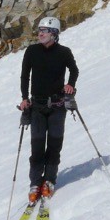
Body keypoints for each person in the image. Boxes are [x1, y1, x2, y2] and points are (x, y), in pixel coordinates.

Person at [19, 16, 78, 203]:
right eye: (39, 30)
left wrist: (70, 84)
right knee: (37, 147)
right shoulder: (31, 51)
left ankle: (50, 180)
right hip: (36, 105)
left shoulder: (64, 52)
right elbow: (24, 76)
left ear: (54, 34)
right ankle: (35, 182)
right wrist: (24, 99)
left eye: (44, 31)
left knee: (54, 146)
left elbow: (74, 70)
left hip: (57, 106)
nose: (40, 33)